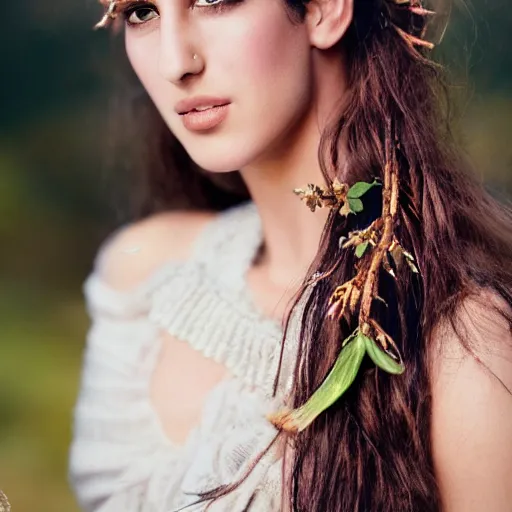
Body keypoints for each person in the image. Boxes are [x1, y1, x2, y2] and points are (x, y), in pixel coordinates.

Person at [68, 0, 512, 510]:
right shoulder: (143, 278)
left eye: (213, 0)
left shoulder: (462, 348)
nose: (175, 63)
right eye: (143, 13)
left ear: (325, 10)